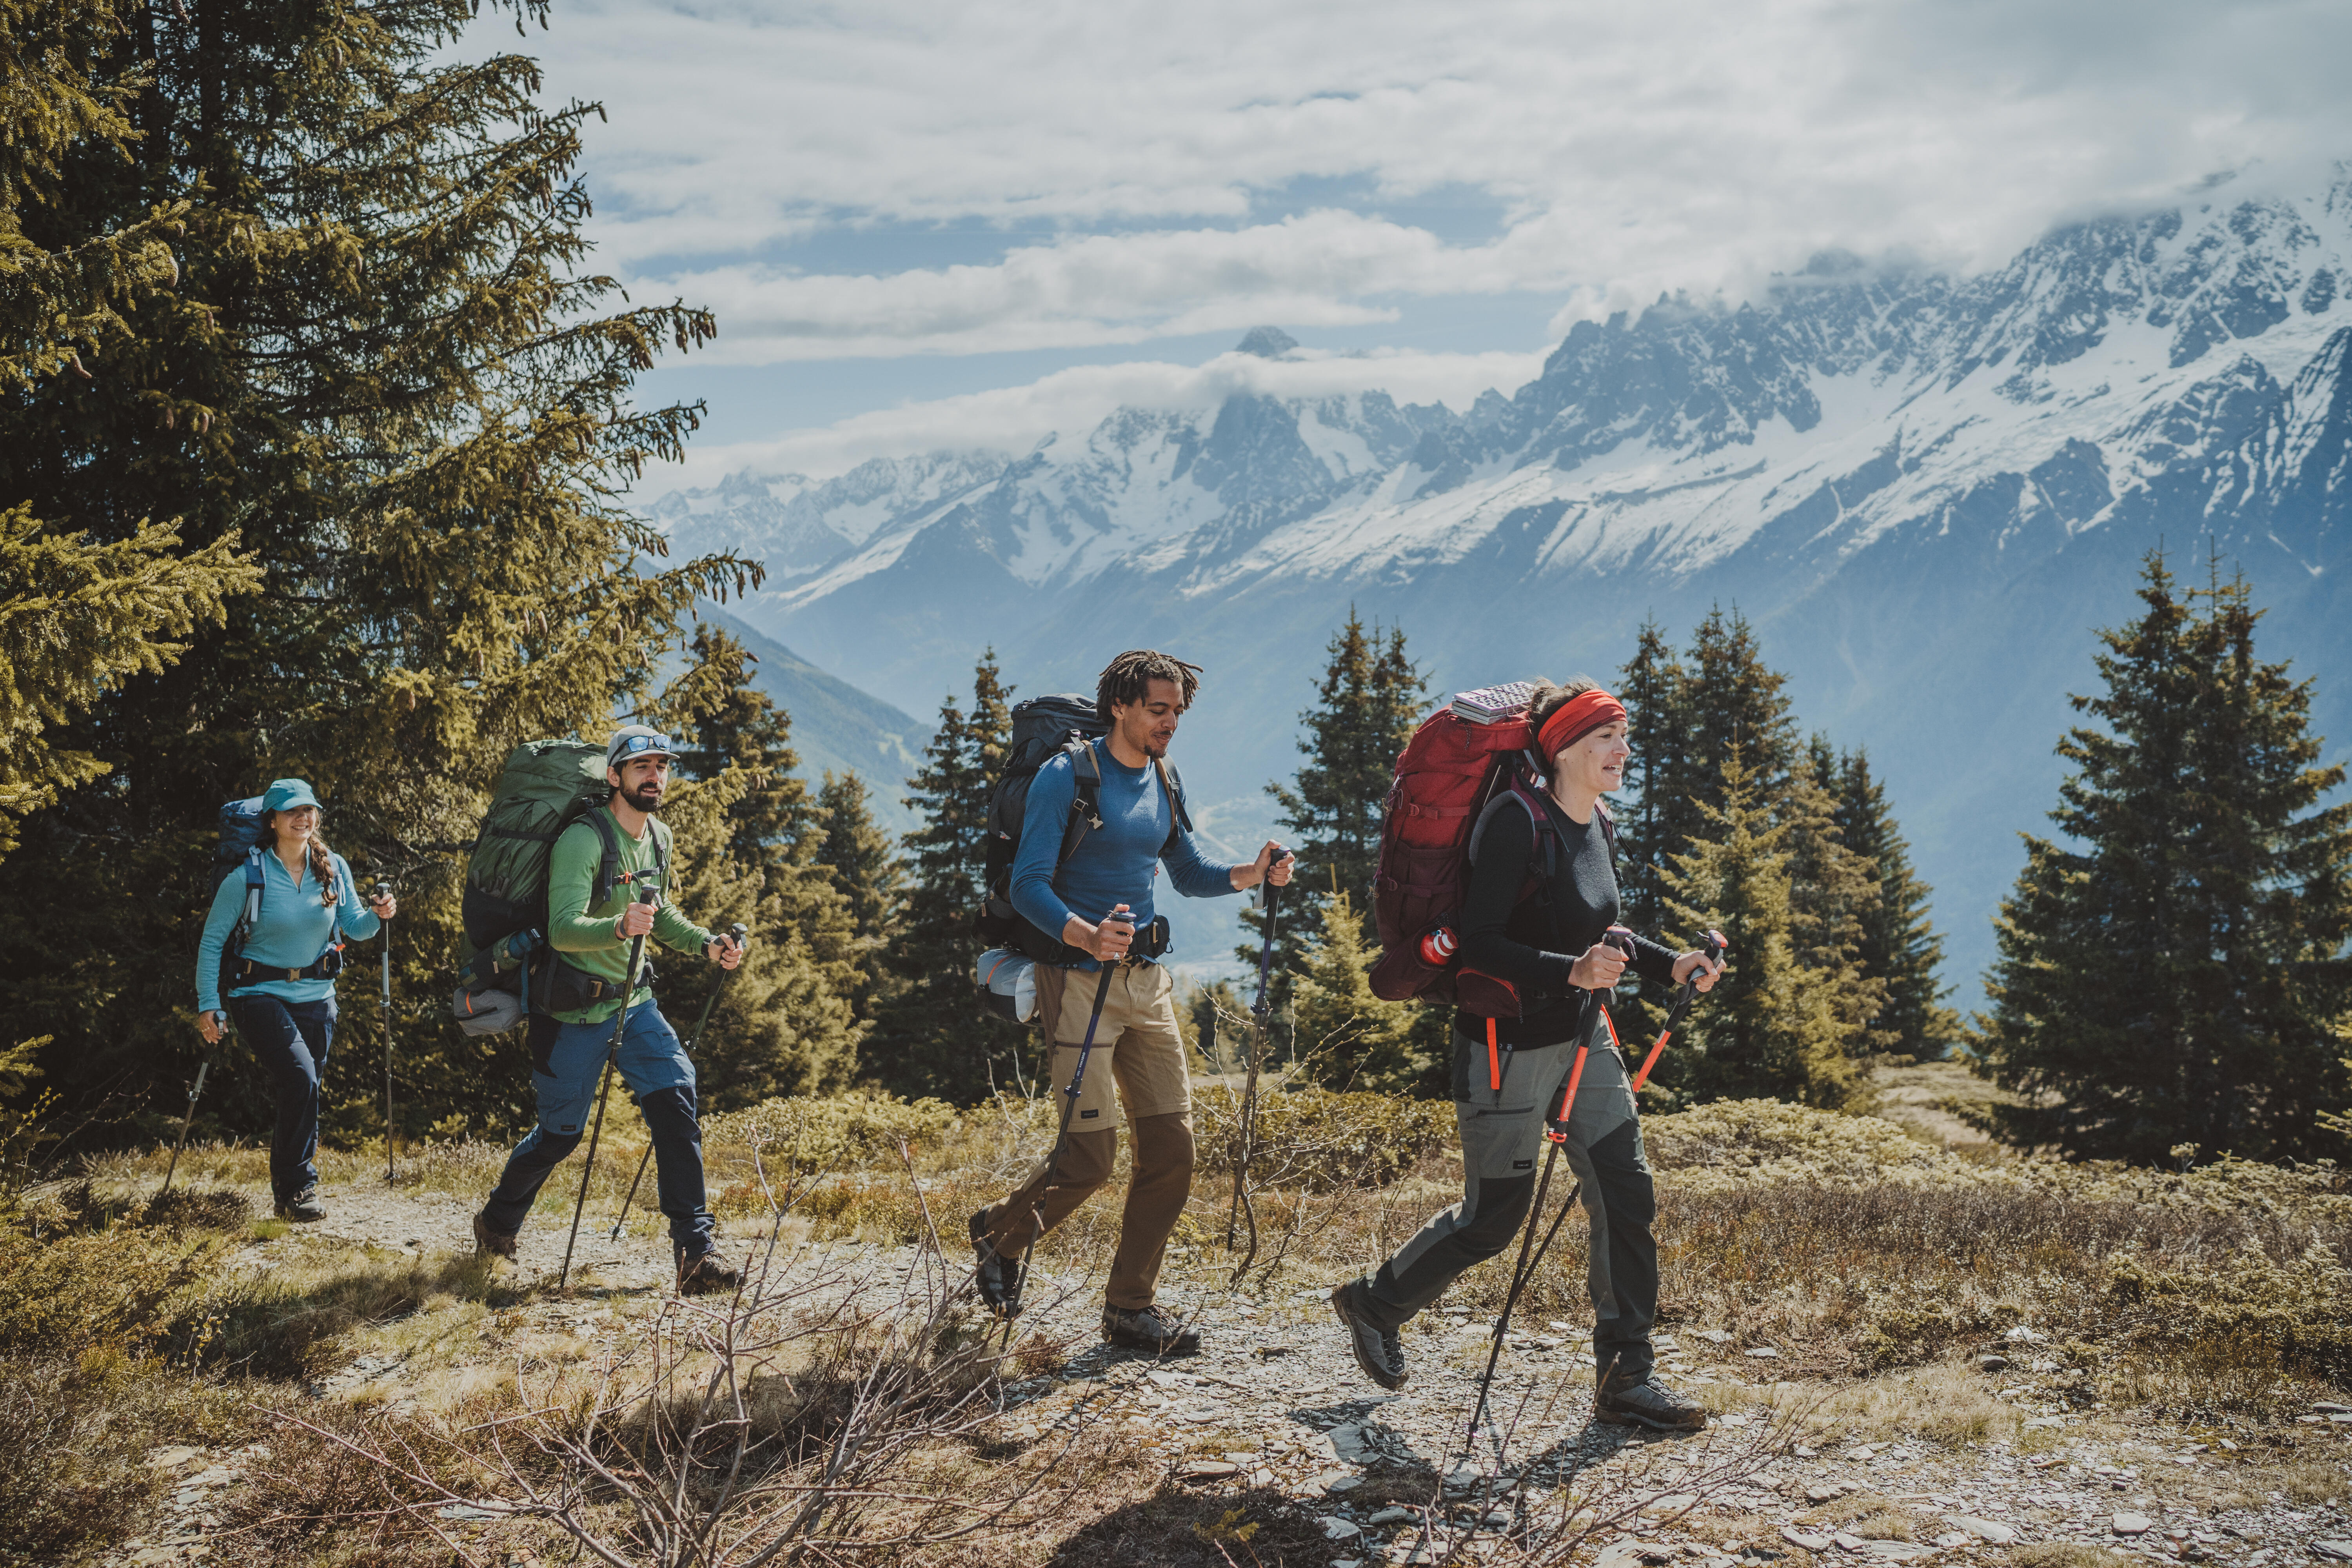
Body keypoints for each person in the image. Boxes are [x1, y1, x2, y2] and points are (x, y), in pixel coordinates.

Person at [1327, 679, 1725, 1430]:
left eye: (1624, 735)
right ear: (1565, 747)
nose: (1623, 750)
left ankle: (1625, 1377)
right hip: (1502, 1044)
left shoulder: (1594, 818)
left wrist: (1667, 961)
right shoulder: (1515, 822)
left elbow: (1602, 931)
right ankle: (1373, 1304)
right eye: (1607, 737)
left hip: (1585, 1041)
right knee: (1492, 1219)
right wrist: (1568, 969)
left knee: (1625, 1194)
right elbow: (1481, 942)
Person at [970, 650, 1293, 1355]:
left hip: (1147, 984)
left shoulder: (1163, 774)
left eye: (1177, 710)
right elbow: (1028, 883)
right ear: (1119, 705)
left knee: (1171, 1150)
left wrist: (1251, 871)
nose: (1171, 722)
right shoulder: (1069, 777)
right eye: (1158, 709)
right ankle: (999, 1233)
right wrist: (1085, 933)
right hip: (1078, 983)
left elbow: (1186, 870)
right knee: (1089, 1158)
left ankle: (1129, 1307)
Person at [470, 725, 747, 1293]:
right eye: (641, 765)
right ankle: (497, 1222)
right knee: (558, 1135)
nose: (654, 775)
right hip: (571, 1011)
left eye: (662, 766)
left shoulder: (659, 836)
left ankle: (695, 1253)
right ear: (615, 774)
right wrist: (619, 925)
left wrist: (705, 943)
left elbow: (660, 912)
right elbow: (563, 928)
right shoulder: (583, 838)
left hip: (635, 1002)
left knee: (676, 1100)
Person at [196, 778, 397, 1222]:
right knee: (302, 1080)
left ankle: (287, 1194)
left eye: (309, 810)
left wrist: (378, 914)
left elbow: (356, 927)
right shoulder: (247, 876)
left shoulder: (332, 866)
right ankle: (301, 1185)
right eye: (292, 811)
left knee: (301, 1091)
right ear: (272, 821)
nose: (303, 817)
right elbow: (212, 944)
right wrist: (208, 1003)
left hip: (318, 996)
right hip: (257, 994)